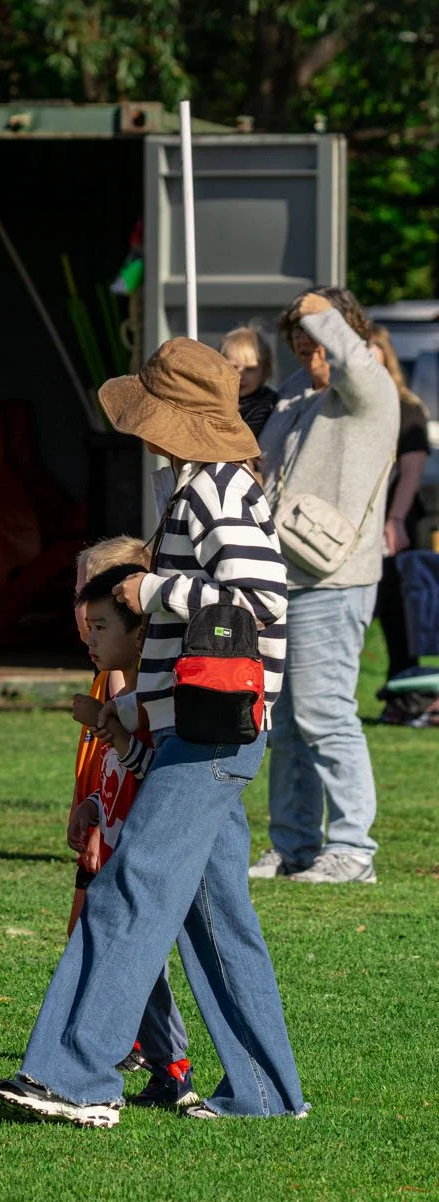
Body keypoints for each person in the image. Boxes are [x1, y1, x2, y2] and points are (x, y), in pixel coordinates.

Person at [0, 336, 302, 1127]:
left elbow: (263, 597)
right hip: (207, 726)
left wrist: (153, 588)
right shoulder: (210, 486)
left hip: (209, 732)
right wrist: (139, 705)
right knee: (215, 916)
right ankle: (266, 1092)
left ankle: (79, 1077)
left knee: (131, 888)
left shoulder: (212, 493)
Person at [253, 288, 397, 885]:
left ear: (342, 331)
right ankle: (293, 846)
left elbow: (354, 362)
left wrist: (322, 313)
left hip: (335, 579)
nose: (305, 345)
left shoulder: (370, 389)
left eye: (314, 334)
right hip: (282, 577)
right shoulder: (293, 391)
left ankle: (353, 850)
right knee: (287, 721)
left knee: (325, 714)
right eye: (296, 335)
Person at [66, 563, 198, 1108]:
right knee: (129, 962)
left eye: (101, 627)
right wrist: (94, 807)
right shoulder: (123, 701)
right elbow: (120, 778)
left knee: (134, 962)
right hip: (119, 848)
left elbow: (155, 776)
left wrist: (117, 734)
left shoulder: (153, 704)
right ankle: (166, 1068)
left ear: (140, 634)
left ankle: (164, 1065)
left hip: (144, 855)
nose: (90, 637)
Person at [369, 328, 433, 723]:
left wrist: (394, 521)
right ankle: (402, 696)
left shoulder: (406, 409)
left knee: (400, 613)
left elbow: (411, 472)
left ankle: (409, 697)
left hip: (397, 524)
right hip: (364, 524)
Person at [223, 323, 279, 438]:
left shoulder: (266, 404)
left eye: (250, 369)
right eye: (233, 367)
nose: (240, 375)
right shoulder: (217, 398)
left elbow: (244, 438)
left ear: (264, 371)